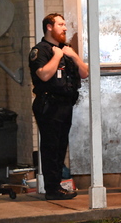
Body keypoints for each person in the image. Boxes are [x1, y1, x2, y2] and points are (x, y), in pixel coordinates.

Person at [29, 13, 89, 200]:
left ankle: (56, 186)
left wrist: (74, 56)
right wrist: (57, 56)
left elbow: (85, 73)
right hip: (49, 104)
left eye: (65, 25)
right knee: (51, 147)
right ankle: (52, 190)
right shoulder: (41, 50)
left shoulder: (66, 49)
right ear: (49, 27)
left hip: (65, 103)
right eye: (60, 24)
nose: (65, 28)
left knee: (61, 146)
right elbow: (44, 75)